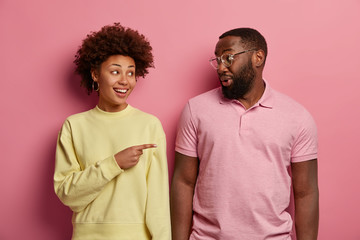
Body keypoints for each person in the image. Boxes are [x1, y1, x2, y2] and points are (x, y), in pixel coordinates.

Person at [171, 28, 319, 240]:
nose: (221, 67)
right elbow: (183, 182)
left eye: (228, 57)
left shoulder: (297, 117)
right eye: (218, 60)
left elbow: (306, 192)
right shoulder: (196, 110)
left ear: (257, 57)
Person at [54, 23, 171, 240]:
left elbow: (159, 199)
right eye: (115, 71)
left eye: (131, 73)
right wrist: (114, 163)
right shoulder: (74, 126)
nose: (124, 81)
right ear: (95, 75)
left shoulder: (149, 125)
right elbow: (67, 194)